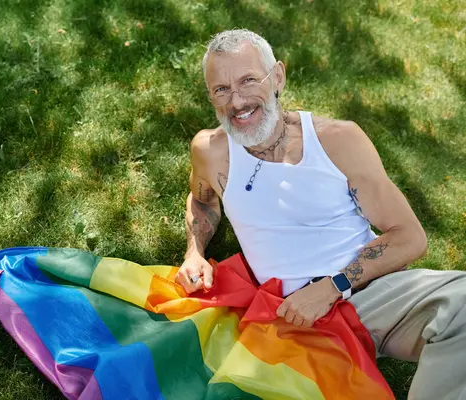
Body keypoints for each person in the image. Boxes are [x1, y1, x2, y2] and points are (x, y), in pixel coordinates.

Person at [175, 29, 466, 400]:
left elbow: (408, 236)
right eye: (221, 89)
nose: (237, 100)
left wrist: (333, 287)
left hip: (365, 294)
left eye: (249, 80)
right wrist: (194, 252)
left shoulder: (338, 140)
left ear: (277, 76)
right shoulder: (210, 151)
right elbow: (202, 202)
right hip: (285, 318)